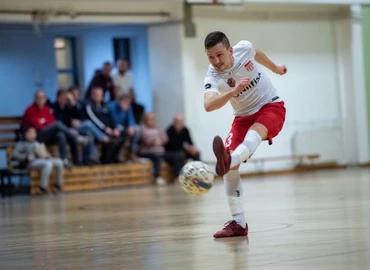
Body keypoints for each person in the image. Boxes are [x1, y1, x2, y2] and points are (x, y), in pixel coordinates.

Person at [203, 31, 287, 238]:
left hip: (270, 105)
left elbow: (256, 53)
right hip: (242, 116)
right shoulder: (213, 75)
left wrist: (275, 68)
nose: (216, 61)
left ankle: (229, 159)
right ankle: (239, 223)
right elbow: (208, 105)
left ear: (231, 50)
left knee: (254, 133)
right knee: (231, 170)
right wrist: (232, 92)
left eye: (219, 55)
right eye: (211, 57)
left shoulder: (243, 48)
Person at [12, 127, 64, 195]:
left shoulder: (37, 143)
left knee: (59, 162)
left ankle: (58, 185)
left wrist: (46, 155)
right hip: (31, 163)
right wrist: (26, 157)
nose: (32, 135)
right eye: (30, 133)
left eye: (34, 133)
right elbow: (14, 154)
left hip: (41, 160)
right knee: (48, 164)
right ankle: (43, 187)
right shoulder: (22, 143)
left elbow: (42, 153)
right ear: (26, 134)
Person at [138, 113, 183, 185]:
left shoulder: (158, 128)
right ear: (145, 120)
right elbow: (147, 140)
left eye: (153, 119)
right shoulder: (143, 128)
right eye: (149, 119)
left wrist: (158, 140)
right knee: (157, 156)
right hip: (147, 152)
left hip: (161, 151)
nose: (151, 121)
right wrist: (155, 140)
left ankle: (177, 176)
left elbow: (165, 138)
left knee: (176, 155)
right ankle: (157, 177)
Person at [107, 94, 140, 163]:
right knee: (120, 133)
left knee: (137, 129)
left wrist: (131, 126)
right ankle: (118, 155)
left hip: (123, 126)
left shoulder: (128, 107)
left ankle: (132, 152)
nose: (127, 105)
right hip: (112, 127)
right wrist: (115, 128)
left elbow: (131, 119)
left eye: (128, 103)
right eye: (125, 103)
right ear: (120, 101)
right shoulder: (111, 107)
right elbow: (110, 120)